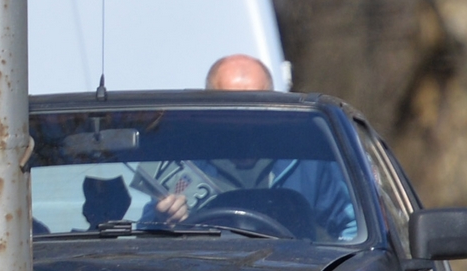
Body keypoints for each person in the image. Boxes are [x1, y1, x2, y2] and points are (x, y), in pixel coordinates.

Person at [148, 55, 357, 239]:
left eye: (256, 105)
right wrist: (162, 221)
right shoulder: (182, 162)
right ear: (208, 109)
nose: (243, 119)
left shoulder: (308, 160)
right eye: (230, 108)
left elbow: (354, 226)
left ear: (274, 104)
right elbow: (138, 236)